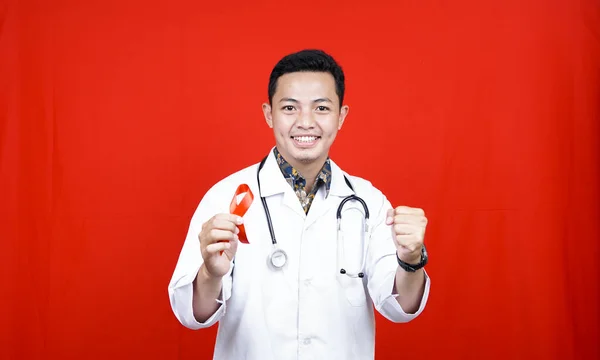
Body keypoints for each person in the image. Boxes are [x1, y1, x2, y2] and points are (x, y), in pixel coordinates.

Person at [167, 49, 431, 360]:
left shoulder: (368, 202)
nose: (305, 122)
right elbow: (191, 315)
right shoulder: (226, 197)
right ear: (269, 114)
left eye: (321, 107)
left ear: (341, 116)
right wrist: (211, 274)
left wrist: (411, 260)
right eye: (290, 107)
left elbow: (400, 307)